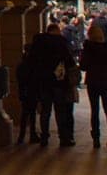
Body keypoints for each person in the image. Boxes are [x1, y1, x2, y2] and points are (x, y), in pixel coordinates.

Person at [26, 17, 77, 147]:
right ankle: (63, 137)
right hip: (58, 81)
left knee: (45, 110)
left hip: (43, 81)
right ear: (57, 31)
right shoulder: (61, 42)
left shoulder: (39, 43)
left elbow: (31, 62)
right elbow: (69, 61)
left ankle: (44, 137)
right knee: (60, 110)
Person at [79, 17, 107, 149]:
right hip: (106, 80)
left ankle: (96, 139)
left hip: (93, 81)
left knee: (94, 110)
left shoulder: (88, 48)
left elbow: (83, 66)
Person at [13, 46, 39, 146]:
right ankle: (31, 134)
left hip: (25, 91)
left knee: (25, 114)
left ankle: (22, 136)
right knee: (31, 113)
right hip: (32, 91)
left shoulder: (22, 64)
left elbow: (20, 79)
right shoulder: (34, 64)